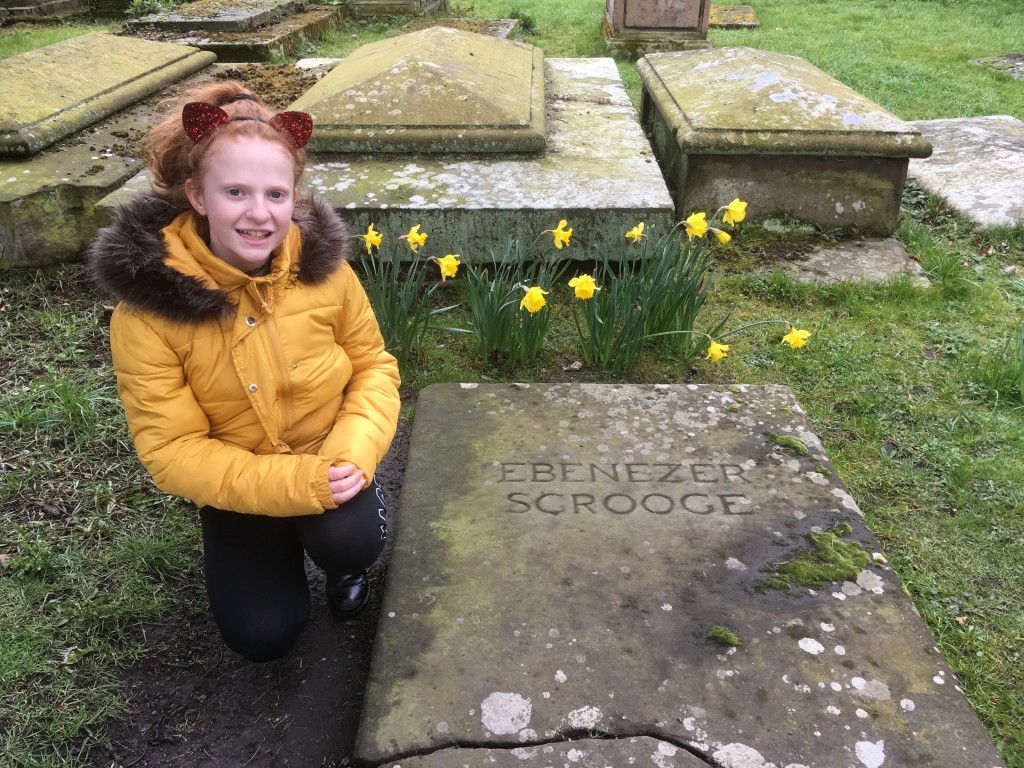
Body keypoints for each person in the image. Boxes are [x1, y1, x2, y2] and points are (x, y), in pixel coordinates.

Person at [88, 81, 401, 663]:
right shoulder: (149, 312)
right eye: (235, 191)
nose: (260, 214)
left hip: (329, 453)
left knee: (348, 537)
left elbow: (373, 367)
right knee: (263, 635)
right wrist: (294, 487)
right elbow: (172, 450)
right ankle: (270, 548)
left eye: (276, 194)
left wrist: (350, 458)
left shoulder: (324, 271)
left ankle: (341, 563)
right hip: (240, 478)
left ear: (294, 198)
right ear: (197, 196)